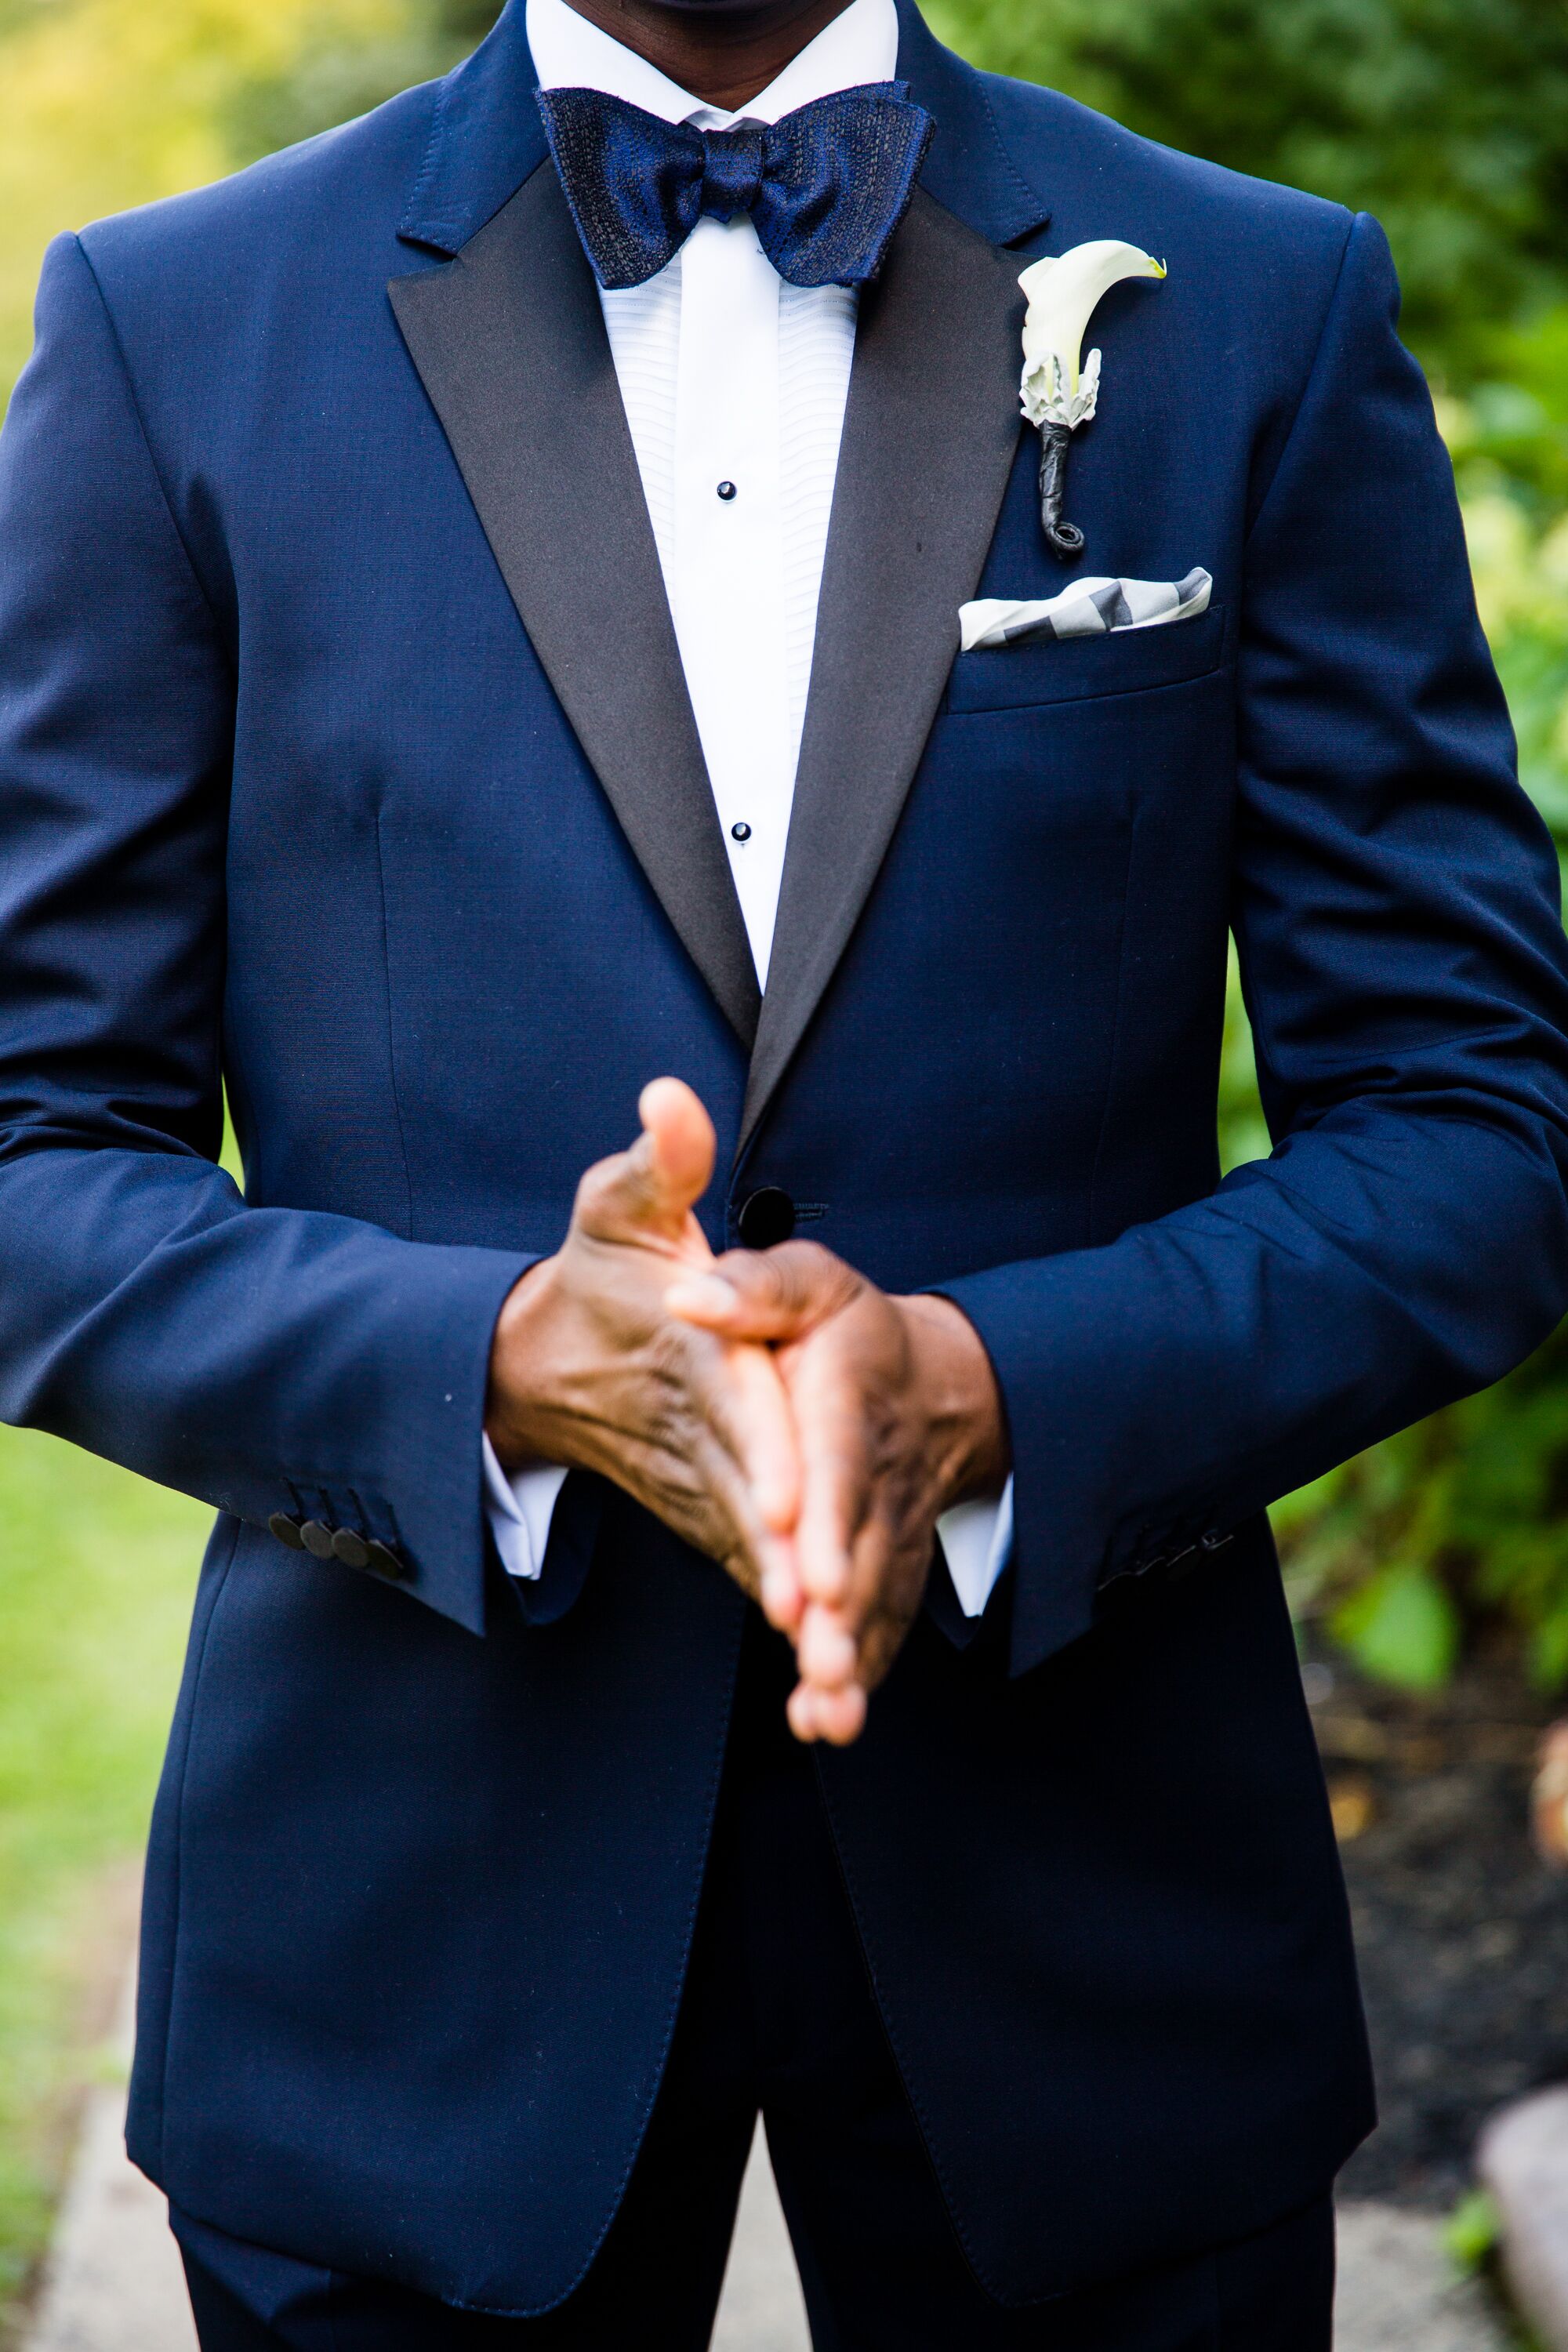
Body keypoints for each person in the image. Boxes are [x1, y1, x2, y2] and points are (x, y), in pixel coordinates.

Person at [2, 0, 1566, 2339]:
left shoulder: (1250, 297)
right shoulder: (172, 327)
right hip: (413, 1965)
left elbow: (1482, 1121)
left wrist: (995, 1382)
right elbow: (35, 1142)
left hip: (1091, 1942)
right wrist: (503, 1361)